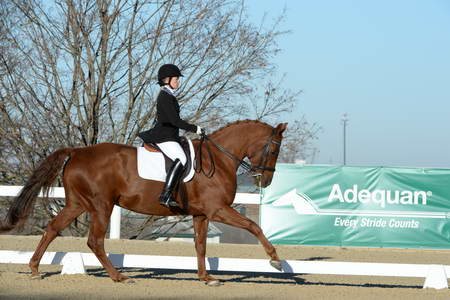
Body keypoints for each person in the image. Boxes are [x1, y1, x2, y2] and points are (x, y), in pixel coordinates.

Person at [138, 64, 204, 208]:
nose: (178, 81)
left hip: (170, 135)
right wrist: (195, 129)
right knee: (181, 158)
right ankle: (166, 195)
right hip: (164, 136)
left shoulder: (168, 95)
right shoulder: (165, 96)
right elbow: (174, 121)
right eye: (176, 79)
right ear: (167, 79)